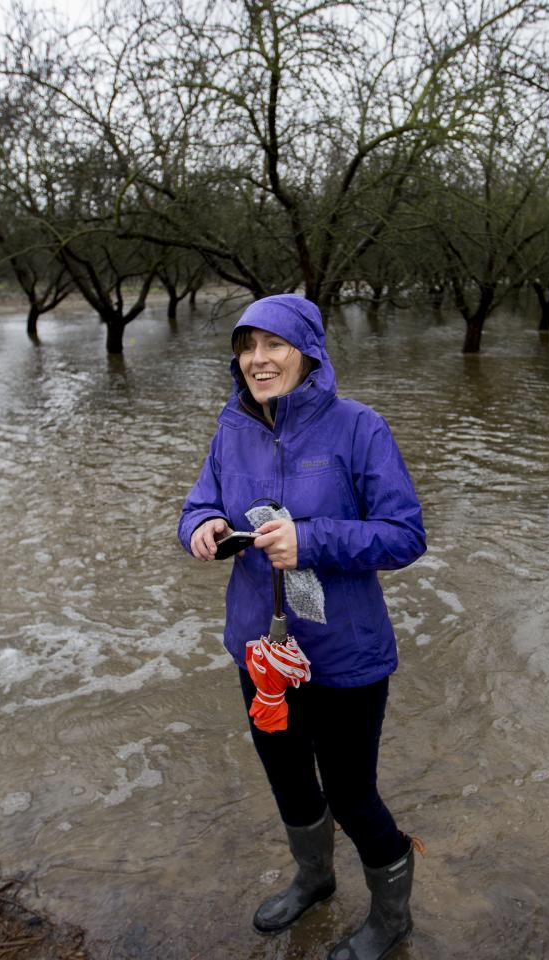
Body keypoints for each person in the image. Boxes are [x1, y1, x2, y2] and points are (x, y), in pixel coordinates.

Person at [179, 294, 426, 960]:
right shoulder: (232, 428)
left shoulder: (359, 427)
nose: (257, 360)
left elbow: (405, 535)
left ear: (309, 352)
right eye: (246, 346)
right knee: (287, 777)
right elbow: (197, 503)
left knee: (350, 793)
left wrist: (311, 540)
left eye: (274, 344)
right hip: (260, 653)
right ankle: (315, 879)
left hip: (343, 655)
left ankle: (392, 918)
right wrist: (201, 527)